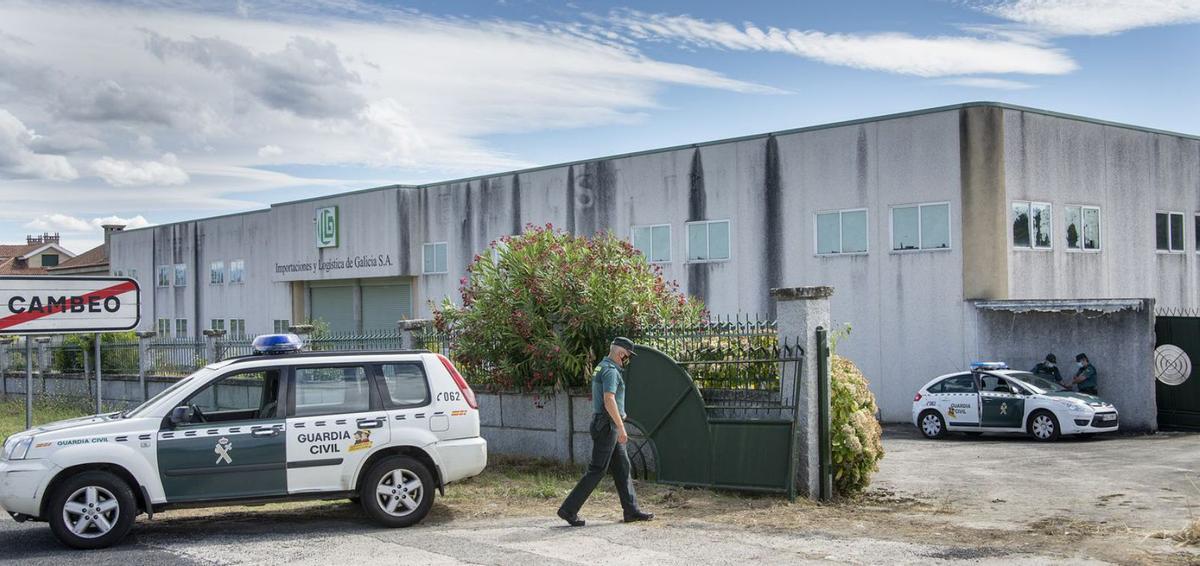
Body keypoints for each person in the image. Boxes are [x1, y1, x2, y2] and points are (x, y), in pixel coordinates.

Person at [557, 337, 654, 527]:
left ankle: (631, 511)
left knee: (622, 467)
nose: (628, 360)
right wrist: (621, 427)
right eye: (628, 356)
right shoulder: (610, 371)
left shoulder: (602, 366)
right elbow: (609, 400)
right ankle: (568, 509)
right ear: (620, 353)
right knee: (597, 470)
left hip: (604, 424)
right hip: (608, 425)